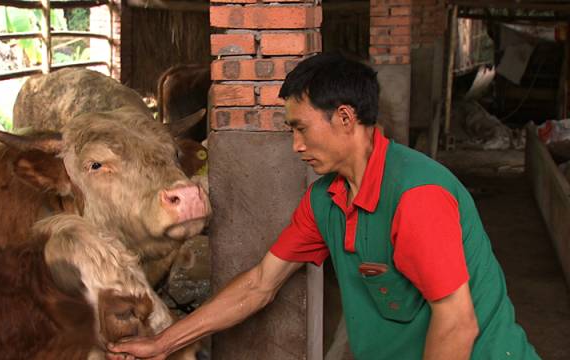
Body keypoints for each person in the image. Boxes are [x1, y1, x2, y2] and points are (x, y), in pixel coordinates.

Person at [107, 52, 540, 360]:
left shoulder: (416, 197)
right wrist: (163, 344)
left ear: (346, 118)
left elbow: (458, 324)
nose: (295, 146)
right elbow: (260, 283)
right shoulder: (326, 199)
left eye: (301, 129)